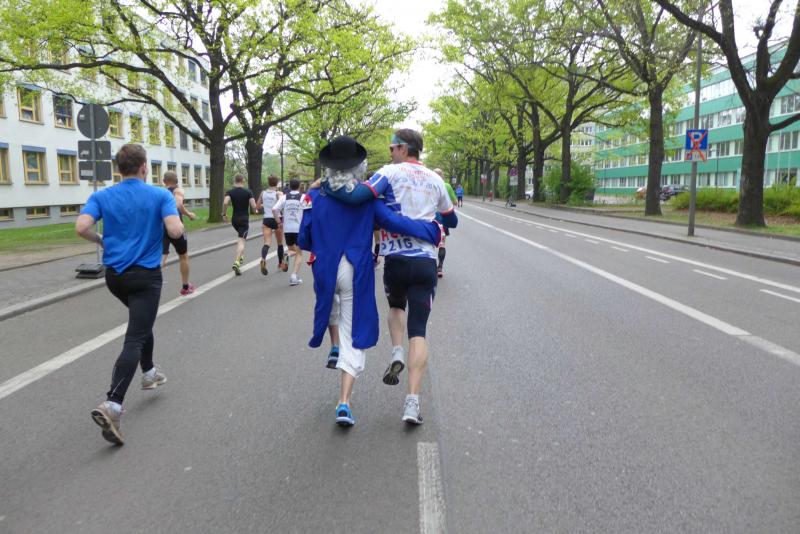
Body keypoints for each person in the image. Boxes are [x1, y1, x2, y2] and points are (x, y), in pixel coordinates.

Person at [299, 135, 443, 427]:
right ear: (359, 166)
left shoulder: (313, 196)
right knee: (354, 331)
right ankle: (344, 402)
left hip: (326, 267)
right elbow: (393, 222)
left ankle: (333, 344)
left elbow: (303, 239)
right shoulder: (367, 201)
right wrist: (431, 231)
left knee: (329, 305)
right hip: (355, 267)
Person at [76, 144, 183, 445]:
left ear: (119, 168)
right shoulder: (160, 195)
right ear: (144, 167)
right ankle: (112, 404)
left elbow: (81, 227)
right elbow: (175, 231)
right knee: (135, 335)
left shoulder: (102, 196)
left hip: (115, 277)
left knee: (140, 323)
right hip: (145, 276)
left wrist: (101, 239)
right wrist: (173, 218)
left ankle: (149, 372)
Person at [160, 171, 196, 295]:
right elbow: (178, 203)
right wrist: (189, 214)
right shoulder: (178, 190)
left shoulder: (161, 193)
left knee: (162, 256)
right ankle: (185, 287)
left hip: (162, 227)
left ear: (164, 181)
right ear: (177, 181)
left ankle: (148, 281)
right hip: (175, 227)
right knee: (183, 256)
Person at [222, 174, 257, 275]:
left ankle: (241, 256)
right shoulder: (248, 192)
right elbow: (254, 206)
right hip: (244, 220)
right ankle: (237, 262)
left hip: (235, 220)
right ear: (243, 181)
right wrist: (256, 209)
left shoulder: (230, 192)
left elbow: (225, 202)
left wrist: (224, 214)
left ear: (235, 181)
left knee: (241, 238)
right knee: (241, 241)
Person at [272, 178, 305, 286]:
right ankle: (294, 276)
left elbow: (274, 209)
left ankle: (287, 254)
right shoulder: (303, 197)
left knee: (292, 249)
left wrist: (279, 222)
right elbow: (310, 210)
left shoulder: (284, 197)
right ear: (299, 186)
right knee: (299, 253)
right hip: (298, 228)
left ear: (290, 186)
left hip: (287, 229)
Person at [255, 175, 287, 275]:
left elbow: (257, 207)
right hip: (277, 219)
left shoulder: (263, 193)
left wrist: (264, 205)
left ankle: (263, 259)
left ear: (268, 182)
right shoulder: (278, 193)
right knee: (280, 243)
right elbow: (283, 205)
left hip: (267, 219)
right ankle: (280, 263)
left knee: (267, 242)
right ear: (276, 183)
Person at [433, 168, 458, 278]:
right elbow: (455, 202)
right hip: (443, 218)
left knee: (429, 243)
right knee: (442, 244)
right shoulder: (446, 186)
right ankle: (440, 267)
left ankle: (429, 266)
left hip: (429, 217)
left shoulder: (427, 184)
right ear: (442, 176)